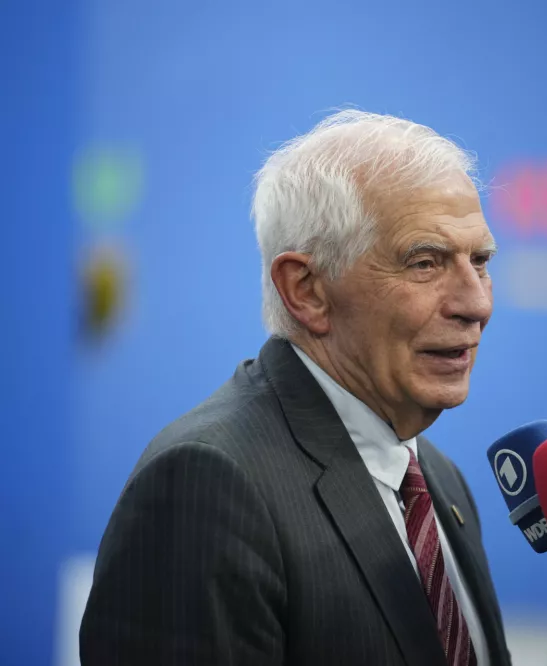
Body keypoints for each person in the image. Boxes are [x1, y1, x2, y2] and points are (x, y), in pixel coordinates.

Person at [80, 110, 511, 666]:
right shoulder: (207, 485)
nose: (476, 304)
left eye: (480, 261)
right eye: (425, 263)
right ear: (306, 290)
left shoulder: (439, 481)